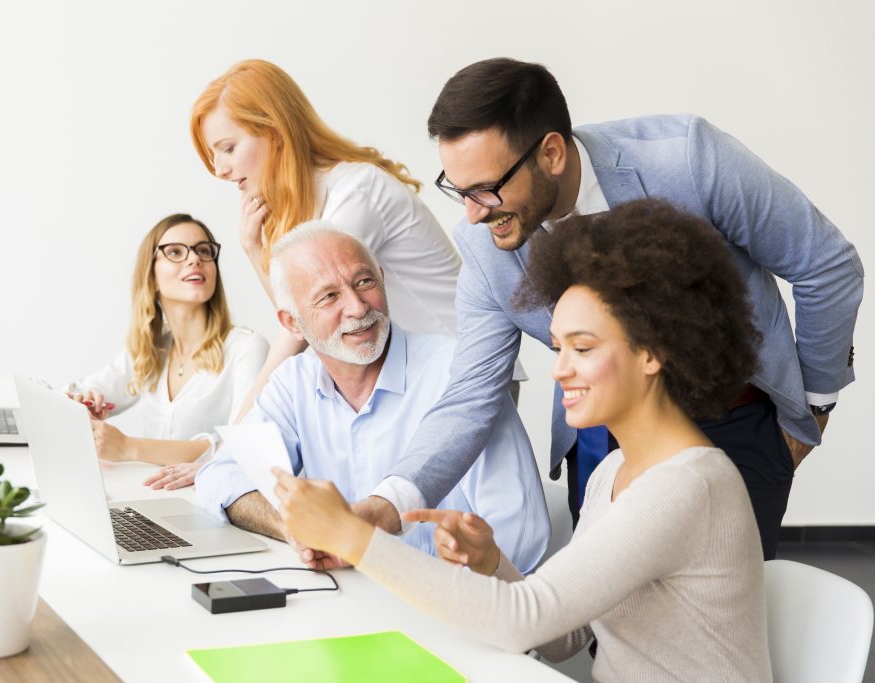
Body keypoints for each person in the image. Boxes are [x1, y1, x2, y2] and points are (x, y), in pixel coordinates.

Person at [354, 58, 864, 560]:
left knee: (711, 619)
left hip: (733, 424)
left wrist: (814, 410)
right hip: (602, 450)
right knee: (609, 631)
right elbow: (469, 394)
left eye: (486, 189)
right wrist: (391, 502)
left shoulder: (687, 159)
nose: (471, 213)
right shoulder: (485, 243)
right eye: (459, 190)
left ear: (551, 153)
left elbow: (826, 265)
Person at [275, 201, 772, 682]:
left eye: (582, 348)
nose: (559, 369)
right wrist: (493, 565)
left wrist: (353, 537)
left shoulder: (687, 486)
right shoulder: (612, 472)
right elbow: (566, 633)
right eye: (557, 348)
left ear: (653, 352)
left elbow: (524, 621)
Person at [189, 224, 548, 571]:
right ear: (292, 322)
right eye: (329, 296)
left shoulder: (459, 375)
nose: (358, 307)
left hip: (449, 606)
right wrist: (295, 529)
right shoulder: (293, 382)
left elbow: (521, 540)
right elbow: (220, 474)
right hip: (346, 602)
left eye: (364, 282)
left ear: (382, 278)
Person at [189, 59, 462, 424]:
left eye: (227, 148)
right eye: (214, 154)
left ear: (275, 132)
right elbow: (306, 322)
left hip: (457, 376)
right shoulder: (314, 205)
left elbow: (306, 331)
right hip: (415, 381)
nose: (220, 169)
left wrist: (231, 443)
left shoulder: (355, 195)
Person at [66, 213, 268, 467]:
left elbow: (240, 445)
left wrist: (129, 447)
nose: (195, 258)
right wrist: (81, 406)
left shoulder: (247, 349)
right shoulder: (151, 351)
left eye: (204, 251)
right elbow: (73, 394)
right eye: (175, 252)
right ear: (150, 277)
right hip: (152, 498)